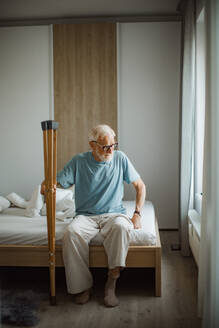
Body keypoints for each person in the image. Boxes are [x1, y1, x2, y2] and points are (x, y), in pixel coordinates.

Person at [41, 124, 146, 307]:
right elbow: (58, 182)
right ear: (92, 145)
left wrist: (137, 213)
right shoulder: (79, 161)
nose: (110, 150)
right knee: (71, 233)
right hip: (86, 216)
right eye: (105, 146)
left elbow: (140, 186)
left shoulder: (120, 158)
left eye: (113, 145)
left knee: (122, 227)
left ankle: (111, 285)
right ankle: (83, 287)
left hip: (114, 214)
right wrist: (48, 183)